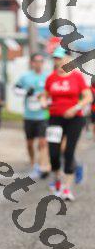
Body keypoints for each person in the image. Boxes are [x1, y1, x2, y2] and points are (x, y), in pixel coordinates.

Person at [40, 46, 92, 201]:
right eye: (55, 58)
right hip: (55, 118)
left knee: (69, 152)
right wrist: (43, 102)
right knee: (53, 153)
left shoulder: (77, 77)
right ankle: (57, 180)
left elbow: (88, 97)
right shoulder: (51, 78)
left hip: (75, 119)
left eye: (59, 57)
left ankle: (67, 188)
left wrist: (75, 108)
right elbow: (45, 95)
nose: (57, 61)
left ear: (68, 59)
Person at [14, 52, 50, 179]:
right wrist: (26, 92)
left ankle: (41, 165)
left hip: (42, 115)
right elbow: (15, 89)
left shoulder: (47, 77)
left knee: (42, 142)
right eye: (36, 61)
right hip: (29, 116)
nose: (39, 64)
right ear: (32, 63)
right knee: (30, 143)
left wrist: (47, 102)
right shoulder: (25, 77)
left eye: (41, 61)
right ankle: (33, 163)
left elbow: (51, 93)